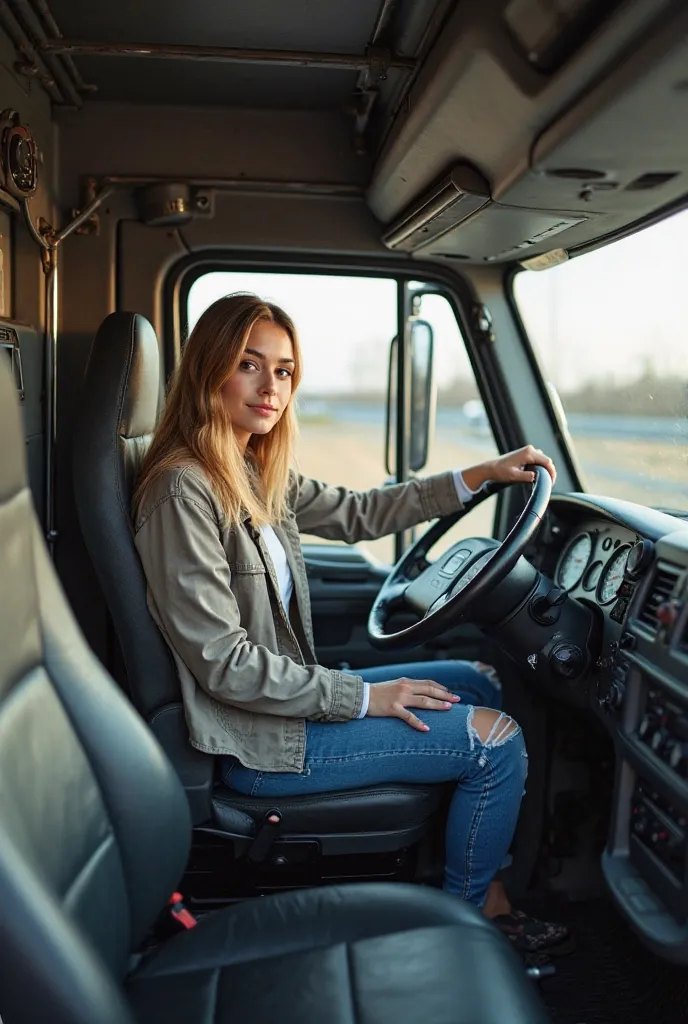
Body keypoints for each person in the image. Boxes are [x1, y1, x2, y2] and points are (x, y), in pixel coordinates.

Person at [133, 293, 571, 956]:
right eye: (248, 364)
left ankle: (466, 883)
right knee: (494, 741)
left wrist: (481, 476)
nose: (270, 385)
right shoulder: (182, 490)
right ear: (208, 370)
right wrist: (363, 698)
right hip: (257, 741)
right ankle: (475, 921)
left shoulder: (250, 470)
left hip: (283, 707)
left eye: (283, 371)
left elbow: (362, 511)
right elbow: (223, 662)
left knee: (474, 681)